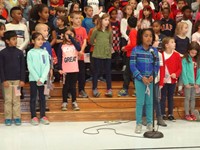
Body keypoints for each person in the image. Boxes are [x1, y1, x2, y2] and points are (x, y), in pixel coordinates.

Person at [130, 28, 159, 134]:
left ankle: (150, 123)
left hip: (150, 80)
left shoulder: (154, 51)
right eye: (146, 35)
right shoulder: (136, 50)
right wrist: (141, 77)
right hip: (140, 80)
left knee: (150, 102)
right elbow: (132, 66)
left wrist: (152, 76)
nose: (148, 38)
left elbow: (156, 65)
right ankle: (138, 123)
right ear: (141, 37)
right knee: (140, 102)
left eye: (150, 36)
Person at [0, 31, 25, 126]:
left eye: (16, 39)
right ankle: (8, 118)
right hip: (7, 81)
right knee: (8, 100)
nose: (16, 41)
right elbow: (1, 68)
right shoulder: (2, 53)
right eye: (13, 39)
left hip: (17, 81)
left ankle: (17, 117)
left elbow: (23, 67)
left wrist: (22, 80)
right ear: (7, 41)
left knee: (16, 100)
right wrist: (3, 80)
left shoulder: (20, 53)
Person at [27, 32, 50, 126]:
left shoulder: (45, 52)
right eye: (38, 39)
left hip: (43, 79)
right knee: (33, 98)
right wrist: (37, 78)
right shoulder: (30, 53)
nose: (41, 41)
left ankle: (43, 116)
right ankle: (33, 116)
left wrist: (43, 78)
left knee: (42, 98)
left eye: (42, 39)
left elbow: (47, 66)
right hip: (33, 79)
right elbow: (30, 66)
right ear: (33, 41)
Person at [57, 27, 81, 111]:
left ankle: (74, 101)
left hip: (74, 69)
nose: (69, 36)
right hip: (65, 69)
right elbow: (59, 57)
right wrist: (59, 68)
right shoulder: (61, 45)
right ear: (64, 35)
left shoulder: (76, 44)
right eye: (67, 34)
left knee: (73, 86)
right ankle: (64, 102)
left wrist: (72, 39)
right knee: (65, 86)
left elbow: (79, 48)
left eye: (71, 34)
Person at [159, 37, 182, 122]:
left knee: (171, 97)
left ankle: (171, 113)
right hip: (164, 80)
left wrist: (175, 74)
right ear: (166, 45)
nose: (174, 44)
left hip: (172, 80)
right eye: (172, 42)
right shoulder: (161, 54)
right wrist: (161, 78)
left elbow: (180, 68)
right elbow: (159, 68)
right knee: (163, 97)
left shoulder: (176, 55)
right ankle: (162, 113)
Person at [90, 13, 113, 97]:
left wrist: (108, 49)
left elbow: (110, 42)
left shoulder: (109, 31)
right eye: (105, 20)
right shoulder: (96, 30)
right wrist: (97, 45)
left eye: (108, 20)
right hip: (97, 54)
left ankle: (109, 89)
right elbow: (91, 41)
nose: (107, 22)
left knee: (108, 72)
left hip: (107, 54)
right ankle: (94, 88)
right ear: (101, 20)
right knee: (96, 72)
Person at [118, 16, 137, 97]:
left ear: (128, 25)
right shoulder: (135, 31)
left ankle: (125, 89)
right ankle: (133, 89)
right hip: (133, 55)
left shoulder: (132, 32)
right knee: (130, 73)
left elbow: (133, 44)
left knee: (127, 73)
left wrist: (125, 48)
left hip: (131, 55)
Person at [71, 11, 88, 98]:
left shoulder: (83, 29)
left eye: (79, 18)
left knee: (82, 74)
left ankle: (81, 90)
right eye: (76, 18)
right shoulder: (70, 29)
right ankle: (71, 90)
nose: (78, 20)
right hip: (72, 56)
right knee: (72, 74)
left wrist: (81, 50)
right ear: (72, 19)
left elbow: (85, 41)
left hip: (81, 55)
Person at [182, 41, 200, 121]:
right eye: (192, 53)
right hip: (188, 83)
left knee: (193, 98)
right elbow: (184, 71)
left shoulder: (198, 60)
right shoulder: (185, 59)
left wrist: (198, 83)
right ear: (189, 50)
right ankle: (187, 114)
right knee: (187, 98)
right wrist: (185, 83)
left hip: (195, 83)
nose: (193, 55)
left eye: (195, 53)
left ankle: (192, 113)